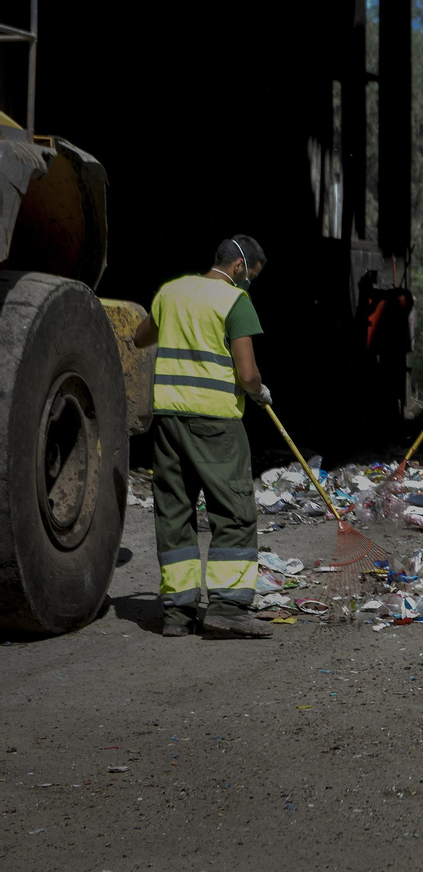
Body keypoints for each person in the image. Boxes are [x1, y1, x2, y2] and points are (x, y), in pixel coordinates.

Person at [132, 236, 272, 639]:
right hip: (215, 424)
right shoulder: (235, 302)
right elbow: (247, 374)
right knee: (234, 511)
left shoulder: (170, 292)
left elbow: (141, 338)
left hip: (169, 421)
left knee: (175, 512)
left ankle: (178, 614)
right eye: (252, 276)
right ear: (239, 267)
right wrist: (258, 390)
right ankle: (228, 606)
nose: (250, 284)